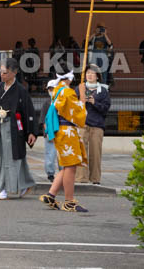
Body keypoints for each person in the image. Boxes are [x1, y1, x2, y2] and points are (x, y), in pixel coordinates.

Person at [0, 57, 36, 200]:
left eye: (5, 73)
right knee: (6, 158)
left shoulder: (20, 91)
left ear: (14, 73)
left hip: (13, 129)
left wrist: (31, 132)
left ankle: (6, 188)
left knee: (12, 159)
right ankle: (25, 184)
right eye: (1, 72)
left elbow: (28, 112)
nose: (2, 75)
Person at [40, 72, 88, 213]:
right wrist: (83, 95)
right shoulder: (67, 92)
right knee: (71, 166)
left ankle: (51, 194)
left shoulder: (57, 90)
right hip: (67, 131)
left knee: (67, 166)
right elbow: (79, 113)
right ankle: (69, 201)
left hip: (60, 131)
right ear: (70, 78)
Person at [76, 66, 111, 185]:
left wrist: (94, 102)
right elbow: (73, 105)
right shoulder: (80, 88)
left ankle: (95, 178)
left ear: (97, 76)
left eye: (92, 73)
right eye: (87, 73)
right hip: (82, 124)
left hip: (97, 125)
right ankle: (81, 177)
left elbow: (106, 108)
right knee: (81, 152)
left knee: (95, 153)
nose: (89, 75)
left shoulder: (103, 91)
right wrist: (81, 101)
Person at [36, 80, 59, 183]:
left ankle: (63, 173)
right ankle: (50, 174)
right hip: (50, 132)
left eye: (53, 89)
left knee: (62, 155)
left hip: (61, 133)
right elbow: (43, 119)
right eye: (50, 89)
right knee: (50, 154)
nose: (51, 91)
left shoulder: (62, 102)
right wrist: (47, 130)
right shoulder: (47, 103)